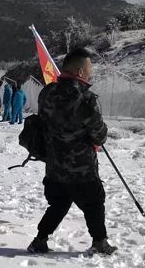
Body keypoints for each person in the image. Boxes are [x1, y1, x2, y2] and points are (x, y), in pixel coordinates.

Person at [28, 47, 117, 255]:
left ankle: (39, 240)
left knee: (58, 204)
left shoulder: (46, 93)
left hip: (54, 167)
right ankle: (99, 242)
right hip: (81, 168)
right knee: (94, 203)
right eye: (89, 69)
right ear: (79, 72)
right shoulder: (86, 99)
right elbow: (99, 136)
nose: (90, 74)